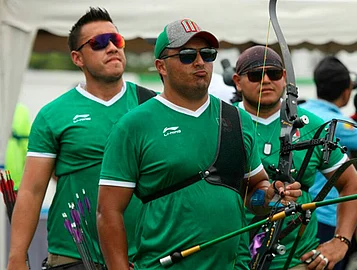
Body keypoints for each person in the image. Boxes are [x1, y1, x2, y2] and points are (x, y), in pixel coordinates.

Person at [96, 19, 302, 270]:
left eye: (207, 54)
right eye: (186, 55)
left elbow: (254, 190)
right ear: (161, 66)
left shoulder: (237, 119)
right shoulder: (133, 125)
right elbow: (108, 211)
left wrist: (271, 197)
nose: (199, 62)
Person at [7, 7, 154, 270]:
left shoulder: (152, 106)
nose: (111, 48)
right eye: (98, 43)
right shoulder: (54, 114)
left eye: (116, 40)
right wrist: (17, 257)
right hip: (72, 257)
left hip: (142, 255)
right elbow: (32, 190)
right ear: (78, 58)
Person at [232, 46, 357, 270]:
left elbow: (351, 185)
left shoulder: (310, 125)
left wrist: (341, 242)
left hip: (296, 260)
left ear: (284, 77)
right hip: (233, 259)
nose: (266, 80)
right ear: (237, 81)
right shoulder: (224, 123)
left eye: (273, 73)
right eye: (255, 75)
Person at [300, 56, 357, 269]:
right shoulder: (339, 124)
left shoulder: (307, 112)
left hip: (303, 214)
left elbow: (345, 128)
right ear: (346, 91)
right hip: (327, 218)